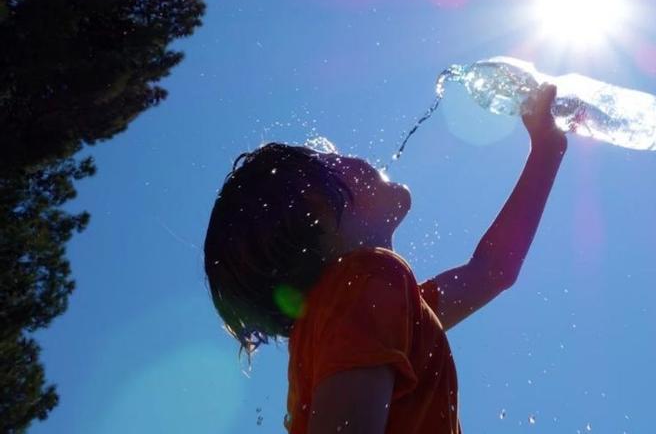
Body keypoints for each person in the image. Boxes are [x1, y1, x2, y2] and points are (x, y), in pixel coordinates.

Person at [203, 83, 567, 433]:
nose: (349, 157)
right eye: (330, 160)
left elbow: (492, 271)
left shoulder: (369, 310)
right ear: (317, 214)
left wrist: (547, 149)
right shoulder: (363, 287)